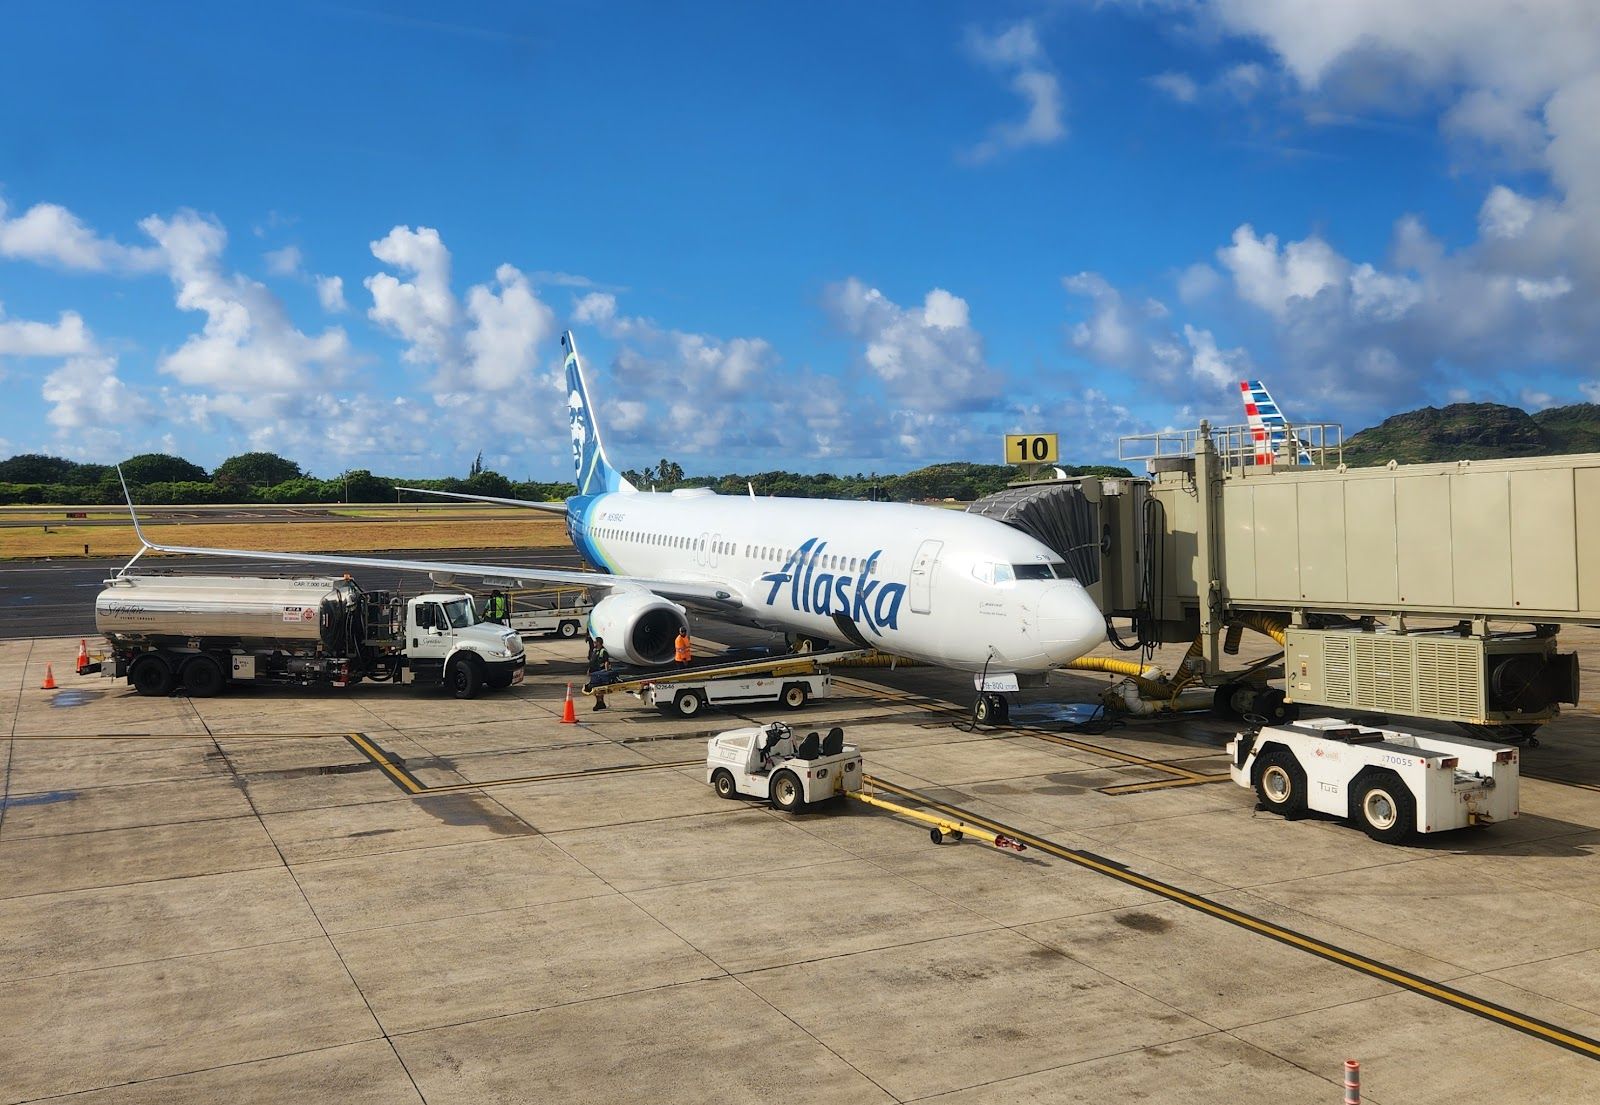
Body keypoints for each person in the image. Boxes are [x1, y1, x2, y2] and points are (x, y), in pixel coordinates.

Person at [588, 635, 611, 711]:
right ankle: (601, 703)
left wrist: (606, 672)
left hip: (600, 673)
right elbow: (592, 661)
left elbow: (606, 662)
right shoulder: (595, 650)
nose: (593, 643)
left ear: (599, 643)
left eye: (595, 642)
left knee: (598, 689)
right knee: (596, 689)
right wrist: (589, 670)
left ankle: (599, 703)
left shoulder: (603, 651)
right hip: (594, 673)